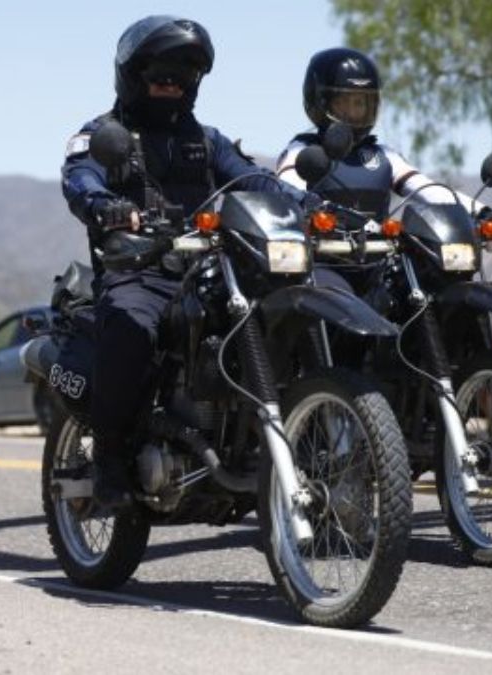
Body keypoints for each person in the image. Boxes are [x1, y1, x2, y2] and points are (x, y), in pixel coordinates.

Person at [61, 16, 309, 509]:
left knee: (283, 315)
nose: (172, 83)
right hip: (139, 269)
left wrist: (308, 203)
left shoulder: (207, 140)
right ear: (133, 74)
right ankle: (110, 458)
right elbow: (80, 178)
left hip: (208, 271)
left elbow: (254, 180)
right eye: (161, 73)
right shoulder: (103, 136)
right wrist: (104, 206)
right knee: (133, 331)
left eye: (184, 74)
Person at [275, 47, 492, 234]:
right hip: (326, 263)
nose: (356, 113)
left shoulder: (382, 155)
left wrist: (486, 214)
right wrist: (313, 209)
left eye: (362, 103)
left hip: (380, 262)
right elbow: (288, 191)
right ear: (319, 102)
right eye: (345, 103)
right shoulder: (303, 151)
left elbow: (428, 189)